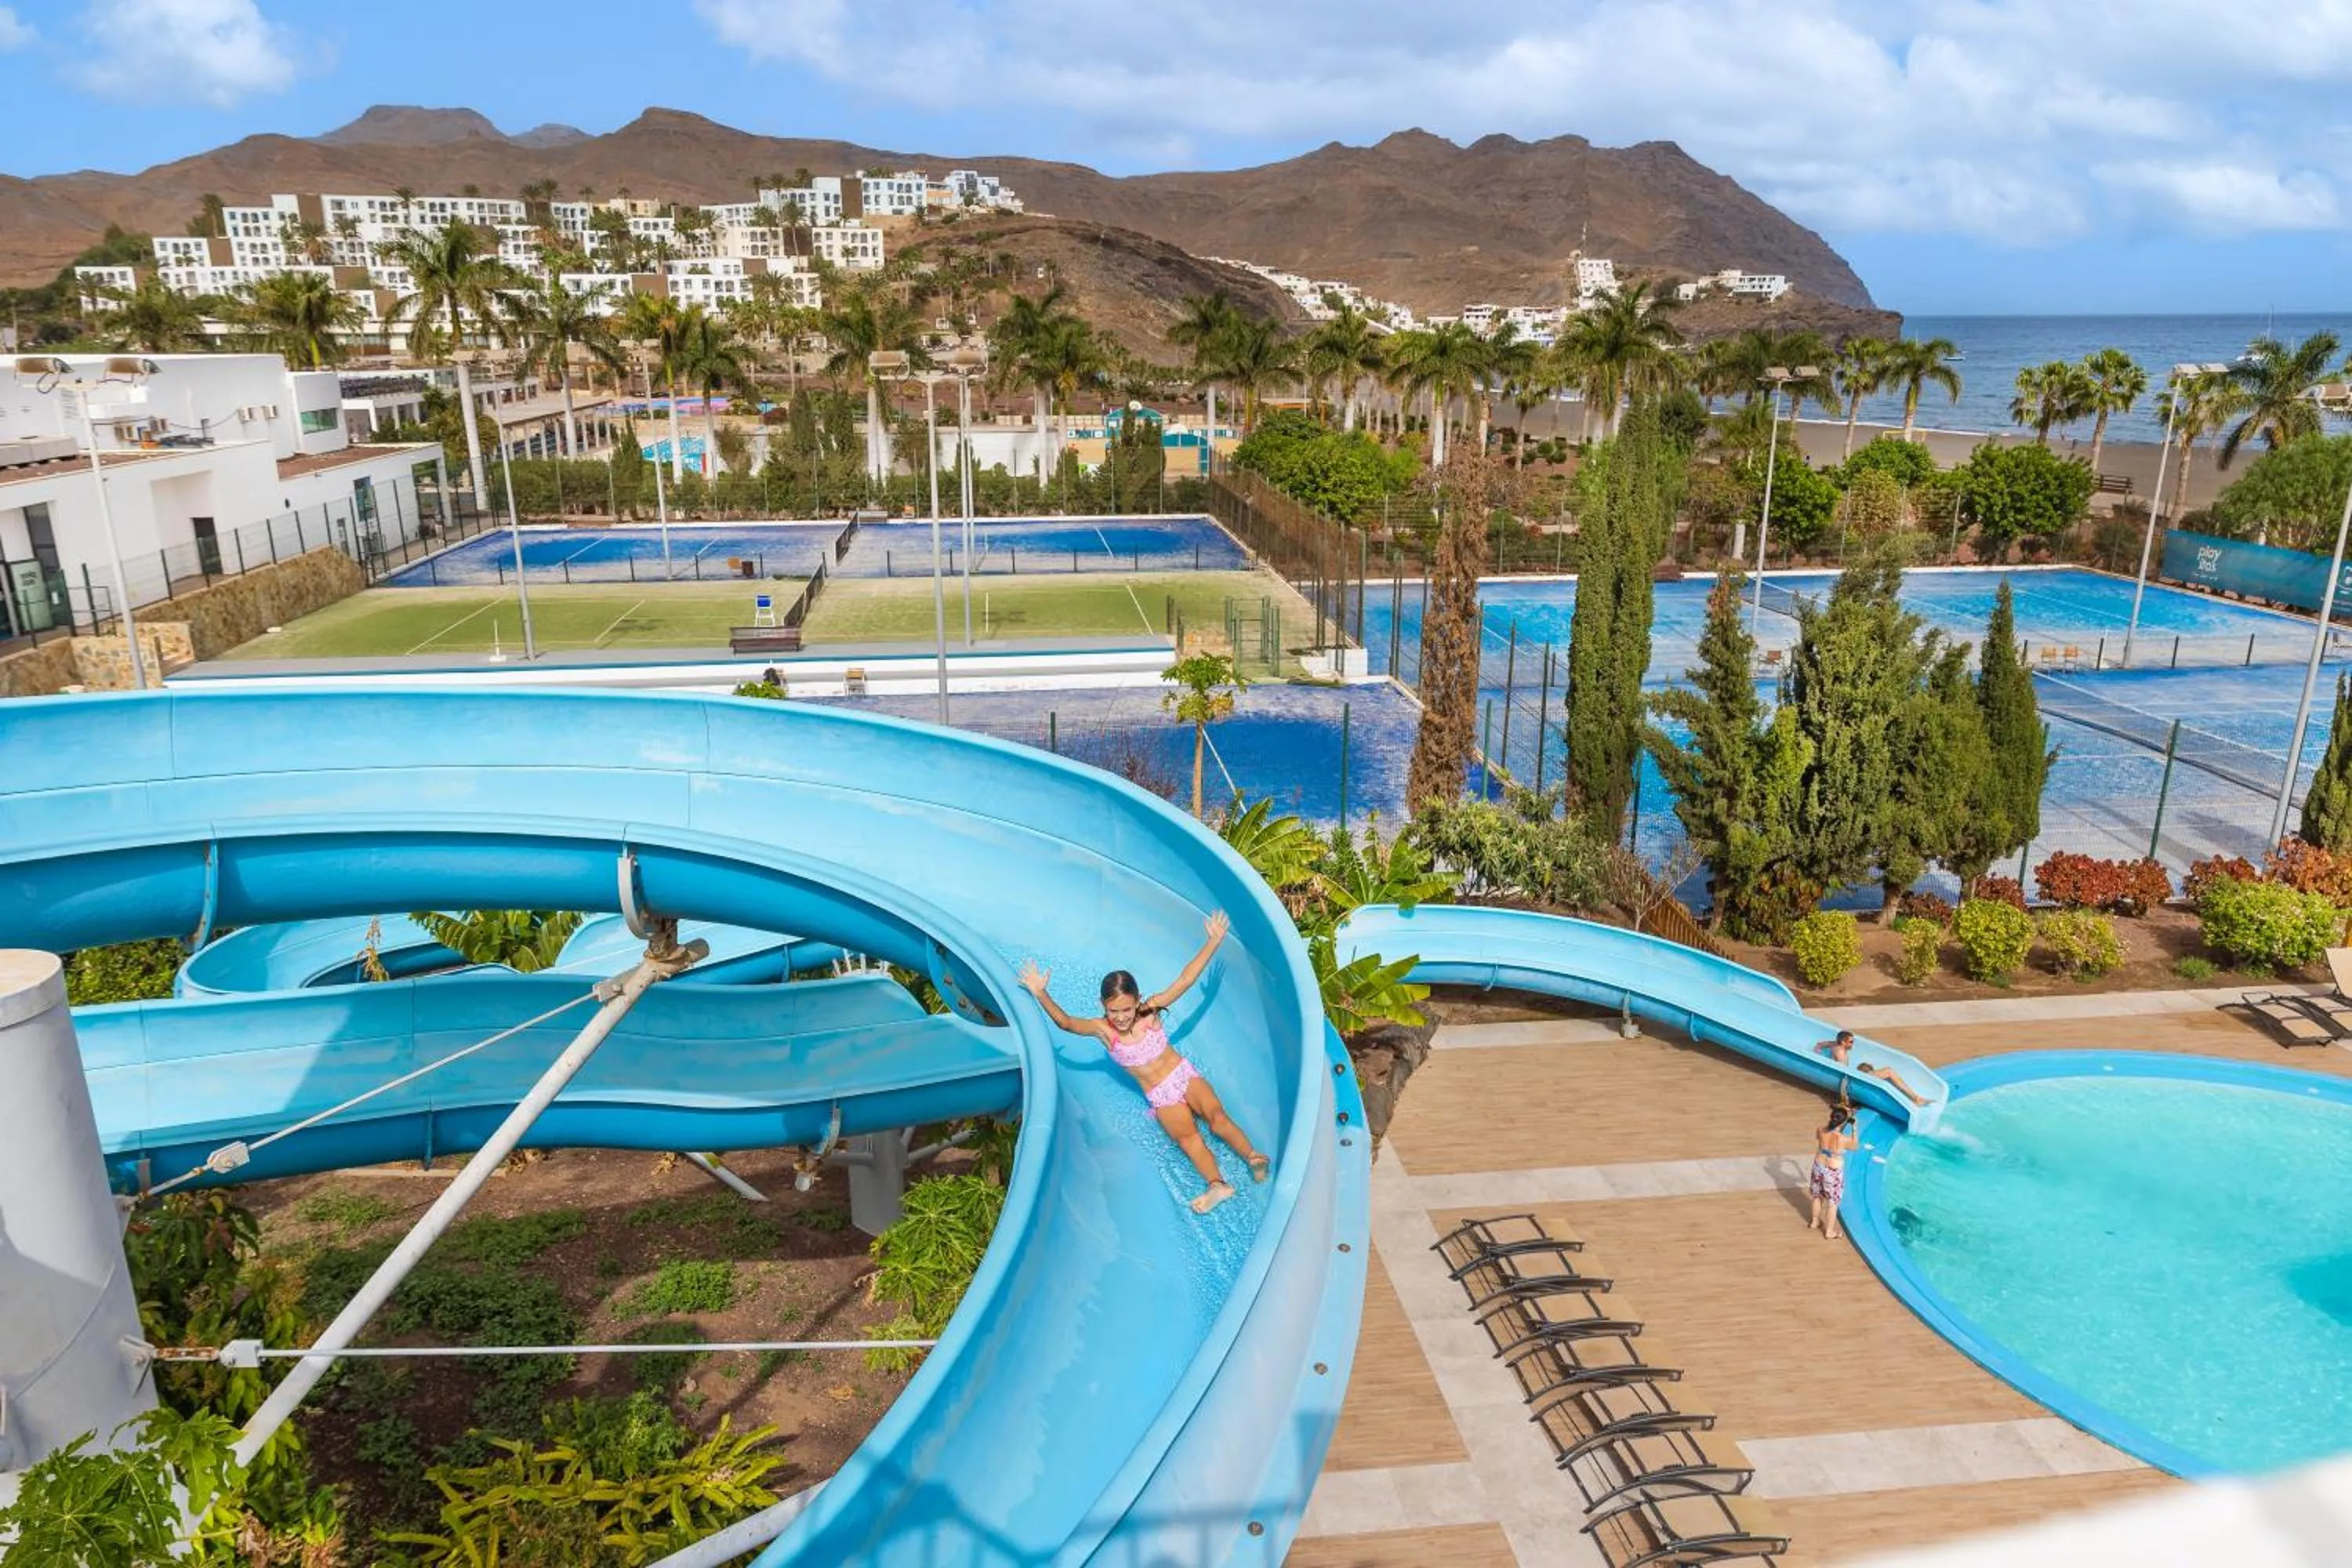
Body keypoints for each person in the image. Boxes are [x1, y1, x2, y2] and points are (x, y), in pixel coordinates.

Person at [1019, 912, 1271, 1214]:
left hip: (1183, 1075)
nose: (1121, 1017)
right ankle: (1218, 1185)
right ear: (1104, 1007)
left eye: (1126, 1009)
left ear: (1138, 1000)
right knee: (1189, 1140)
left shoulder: (1151, 1011)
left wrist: (1214, 941)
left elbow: (1186, 980)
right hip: (1161, 1095)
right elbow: (1066, 1023)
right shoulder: (1104, 1031)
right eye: (1114, 1011)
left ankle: (1253, 1156)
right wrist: (1040, 992)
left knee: (1217, 1117)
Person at [1816, 1029, 1927, 1109]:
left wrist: (1818, 1049)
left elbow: (1821, 1044)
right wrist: (1845, 1100)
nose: (1852, 1044)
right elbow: (1844, 1077)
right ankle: (1915, 1098)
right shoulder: (1841, 1053)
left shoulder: (1835, 1044)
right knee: (1889, 1071)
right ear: (1843, 1042)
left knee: (1865, 1066)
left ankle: (1915, 1097)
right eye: (1851, 1042)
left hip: (1852, 1075)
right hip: (1854, 1080)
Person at [1809, 1104, 1859, 1240]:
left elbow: (1822, 1139)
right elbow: (1855, 1147)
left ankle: (1815, 1221)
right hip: (1833, 1171)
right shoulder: (1842, 1139)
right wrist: (1854, 1128)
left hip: (1819, 1165)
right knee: (1833, 1203)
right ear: (1843, 1123)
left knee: (1817, 1195)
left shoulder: (1820, 1130)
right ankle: (1829, 1232)